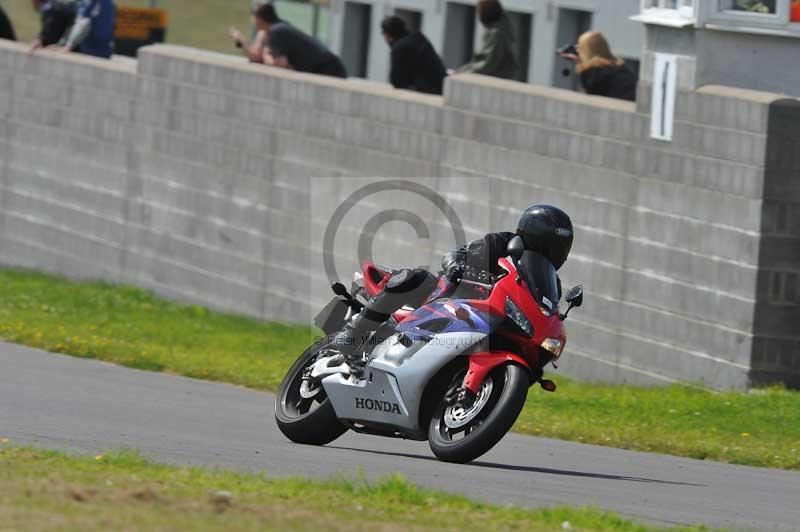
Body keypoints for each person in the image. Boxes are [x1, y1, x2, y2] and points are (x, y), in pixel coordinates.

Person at [333, 205, 573, 364]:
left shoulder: (552, 283)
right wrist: (457, 265)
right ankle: (353, 334)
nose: (553, 252)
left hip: (490, 321)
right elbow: (459, 254)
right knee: (417, 277)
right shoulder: (502, 243)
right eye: (549, 244)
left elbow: (541, 309)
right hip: (453, 297)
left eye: (559, 247)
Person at [231, 4, 346, 78]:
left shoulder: (276, 31)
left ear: (259, 19)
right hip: (327, 68)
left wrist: (267, 59)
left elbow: (281, 64)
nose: (253, 23)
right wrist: (242, 43)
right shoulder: (274, 29)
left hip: (328, 69)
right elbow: (255, 57)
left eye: (253, 18)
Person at [559, 31, 637, 102]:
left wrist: (580, 63)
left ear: (587, 51)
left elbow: (591, 93)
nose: (578, 50)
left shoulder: (595, 74)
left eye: (581, 47)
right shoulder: (619, 65)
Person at [381, 15, 447, 95]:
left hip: (431, 91)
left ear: (388, 35)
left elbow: (396, 82)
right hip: (444, 87)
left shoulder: (399, 48)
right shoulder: (419, 37)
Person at [457, 0, 519, 81]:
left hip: (497, 78)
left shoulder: (497, 34)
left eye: (479, 12)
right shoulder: (501, 27)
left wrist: (464, 72)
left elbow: (487, 65)